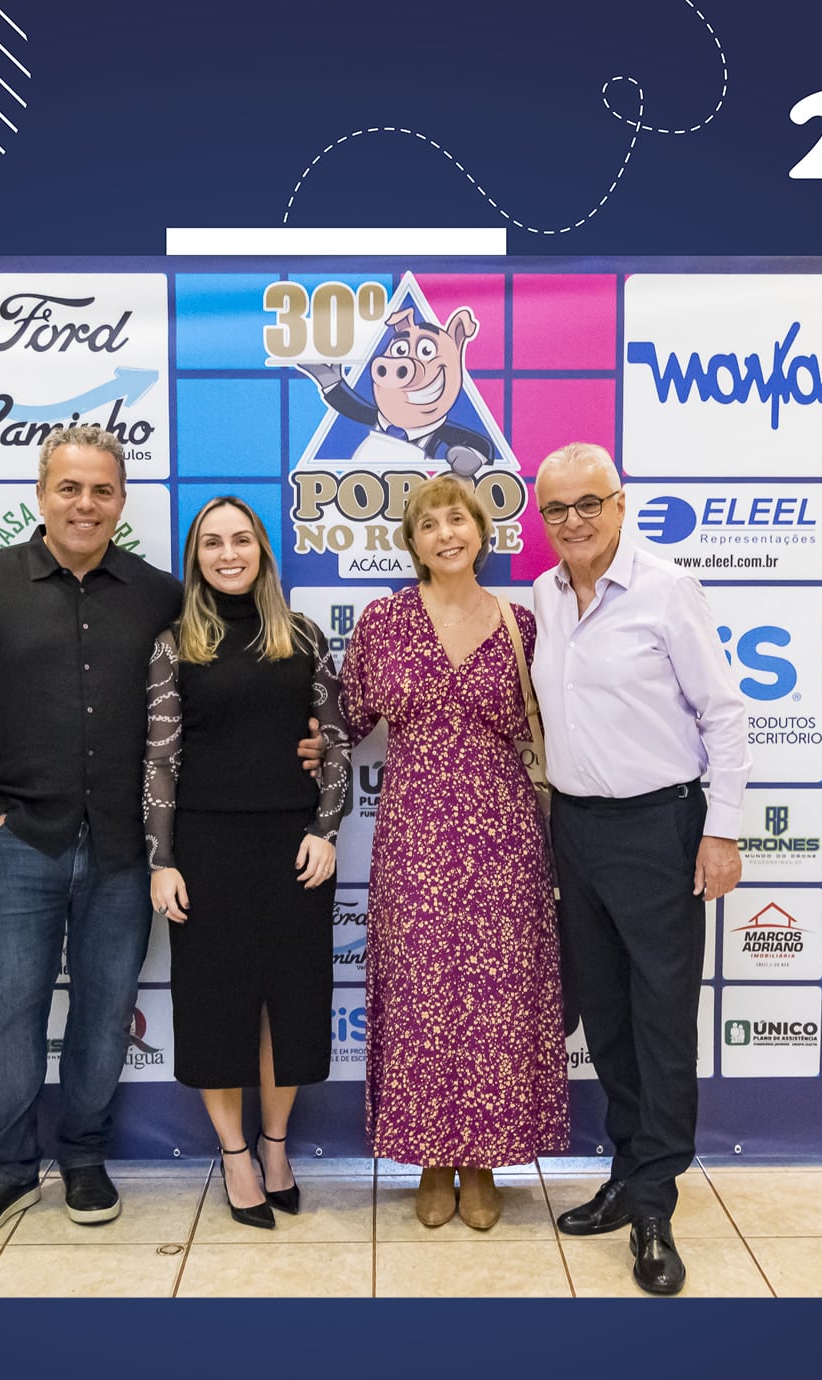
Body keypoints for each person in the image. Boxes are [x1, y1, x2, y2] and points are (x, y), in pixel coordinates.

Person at [0, 426, 323, 1240]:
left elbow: (227, 688)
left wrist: (304, 740)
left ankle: (85, 1160)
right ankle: (8, 1171)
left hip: (122, 850)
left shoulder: (159, 596)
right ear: (41, 494)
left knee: (106, 1014)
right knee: (7, 1013)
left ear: (122, 502)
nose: (85, 504)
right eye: (69, 488)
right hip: (14, 842)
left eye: (102, 491)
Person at [527, 442, 751, 1295]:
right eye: (557, 509)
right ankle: (626, 1173)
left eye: (589, 503)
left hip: (660, 829)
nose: (574, 521)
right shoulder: (544, 596)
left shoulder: (666, 589)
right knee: (608, 1017)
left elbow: (724, 716)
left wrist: (720, 832)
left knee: (660, 1021)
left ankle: (656, 1203)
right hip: (575, 829)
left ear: (621, 504)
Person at [338, 473, 568, 1229]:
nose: (446, 534)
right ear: (412, 541)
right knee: (421, 993)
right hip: (415, 834)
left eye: (458, 520)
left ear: (481, 533)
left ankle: (483, 1161)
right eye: (430, 523)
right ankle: (432, 1158)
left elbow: (564, 718)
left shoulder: (520, 624)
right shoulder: (383, 621)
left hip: (503, 834)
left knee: (497, 996)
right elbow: (344, 718)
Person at [143, 497, 351, 1226]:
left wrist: (326, 829)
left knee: (288, 1005)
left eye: (240, 540)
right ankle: (234, 1155)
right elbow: (160, 760)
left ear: (262, 550)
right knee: (216, 1005)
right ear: (195, 557)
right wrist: (162, 859)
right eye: (211, 543)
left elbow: (335, 742)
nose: (227, 554)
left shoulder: (304, 635)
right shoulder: (175, 644)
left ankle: (275, 1147)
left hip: (295, 848)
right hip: (206, 849)